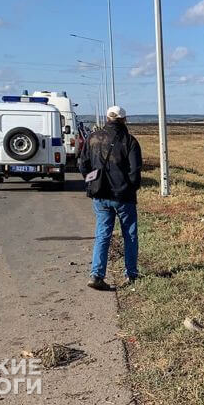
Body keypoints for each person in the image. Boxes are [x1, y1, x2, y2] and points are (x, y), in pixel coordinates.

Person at [79, 106, 143, 291]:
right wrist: (131, 187)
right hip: (124, 196)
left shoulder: (92, 138)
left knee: (102, 235)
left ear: (107, 118)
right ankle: (131, 274)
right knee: (129, 235)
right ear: (125, 119)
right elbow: (135, 170)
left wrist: (92, 180)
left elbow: (83, 165)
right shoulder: (130, 141)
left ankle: (96, 275)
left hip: (100, 194)